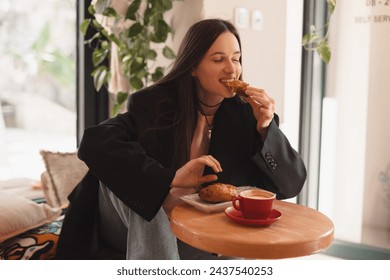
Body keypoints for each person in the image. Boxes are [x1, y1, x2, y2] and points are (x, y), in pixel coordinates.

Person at [56, 18, 307, 260]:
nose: (232, 68)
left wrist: (265, 129)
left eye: (236, 58)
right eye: (218, 59)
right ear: (193, 67)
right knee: (146, 193)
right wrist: (170, 180)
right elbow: (95, 141)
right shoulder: (155, 104)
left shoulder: (247, 115)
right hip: (124, 226)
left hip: (190, 229)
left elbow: (291, 185)